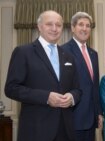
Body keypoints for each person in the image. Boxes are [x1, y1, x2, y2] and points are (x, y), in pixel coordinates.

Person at [4, 10, 81, 141]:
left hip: (66, 130)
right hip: (36, 130)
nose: (54, 28)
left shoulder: (68, 56)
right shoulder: (23, 52)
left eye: (58, 25)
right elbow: (11, 88)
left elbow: (78, 89)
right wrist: (46, 97)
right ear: (39, 27)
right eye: (49, 24)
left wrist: (72, 97)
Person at [61, 12, 103, 141]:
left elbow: (94, 85)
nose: (84, 28)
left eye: (88, 25)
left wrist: (99, 112)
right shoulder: (63, 50)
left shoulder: (93, 54)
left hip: (91, 118)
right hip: (73, 116)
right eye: (81, 25)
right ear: (73, 28)